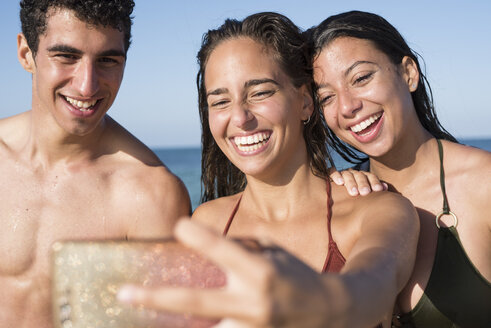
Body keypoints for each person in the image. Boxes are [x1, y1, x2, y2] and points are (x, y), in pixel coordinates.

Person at [117, 12, 419, 328]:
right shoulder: (207, 224)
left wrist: (321, 300)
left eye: (260, 93)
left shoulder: (378, 210)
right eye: (220, 102)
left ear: (305, 101)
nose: (240, 117)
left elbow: (374, 285)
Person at [0, 0, 190, 326]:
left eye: (107, 61)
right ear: (25, 53)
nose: (87, 85)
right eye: (66, 56)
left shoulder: (151, 194)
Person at [308, 10, 491, 327]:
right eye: (327, 97)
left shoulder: (482, 183)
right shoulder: (340, 198)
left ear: (408, 73)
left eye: (362, 78)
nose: (347, 106)